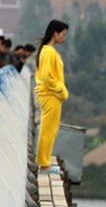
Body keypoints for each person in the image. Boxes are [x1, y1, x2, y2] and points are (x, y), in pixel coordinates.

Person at [35, 20, 69, 174]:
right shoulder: (49, 51)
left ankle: (45, 161)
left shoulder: (48, 50)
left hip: (51, 95)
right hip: (50, 95)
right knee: (48, 129)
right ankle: (44, 164)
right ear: (55, 33)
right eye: (63, 34)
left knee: (50, 129)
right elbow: (46, 77)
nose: (64, 37)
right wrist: (61, 90)